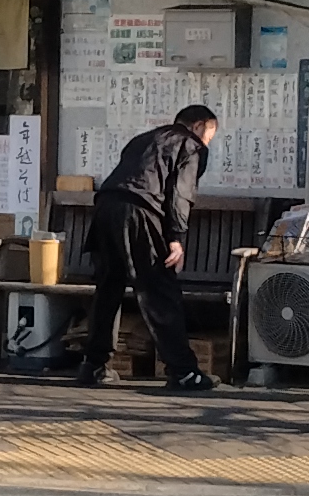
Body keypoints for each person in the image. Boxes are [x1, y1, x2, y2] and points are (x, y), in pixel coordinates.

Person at [64, 102, 220, 388]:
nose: (207, 141)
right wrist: (176, 238)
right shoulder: (190, 145)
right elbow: (180, 194)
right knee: (158, 290)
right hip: (141, 212)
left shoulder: (144, 139)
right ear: (198, 126)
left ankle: (93, 365)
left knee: (108, 288)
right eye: (209, 134)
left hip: (106, 209)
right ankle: (184, 372)